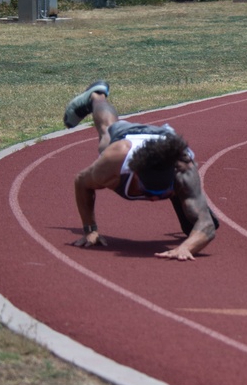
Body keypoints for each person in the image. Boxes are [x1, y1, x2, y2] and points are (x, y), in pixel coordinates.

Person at [63, 81, 219, 260]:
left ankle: (179, 196)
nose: (153, 199)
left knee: (193, 225)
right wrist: (90, 230)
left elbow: (207, 226)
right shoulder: (115, 161)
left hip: (166, 142)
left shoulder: (184, 170)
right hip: (128, 137)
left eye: (162, 192)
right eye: (148, 192)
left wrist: (186, 248)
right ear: (134, 174)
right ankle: (96, 95)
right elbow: (81, 182)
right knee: (106, 134)